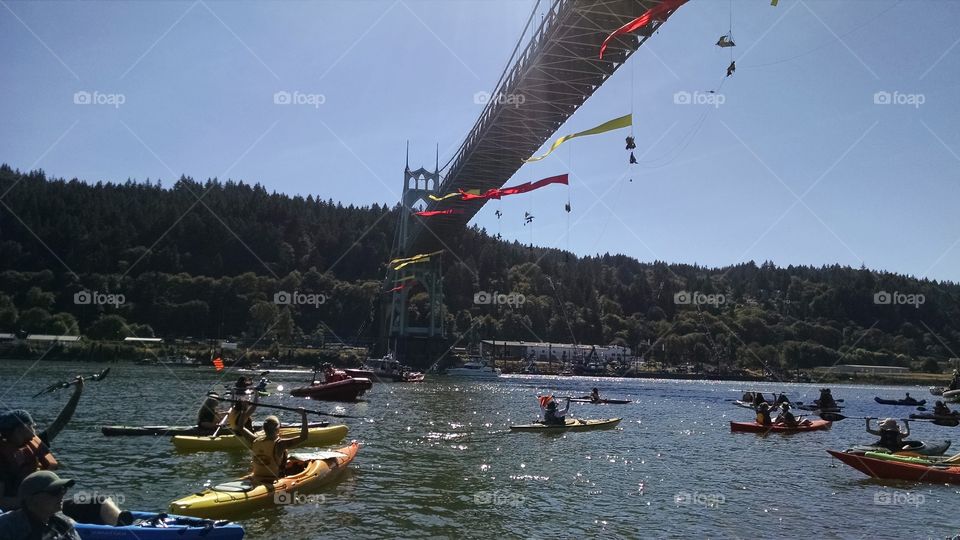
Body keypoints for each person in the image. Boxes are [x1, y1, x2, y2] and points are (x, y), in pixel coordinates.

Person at [0, 380, 125, 526]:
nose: (35, 428)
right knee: (65, 521)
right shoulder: (2, 457)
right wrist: (33, 502)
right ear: (20, 429)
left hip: (47, 503)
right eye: (31, 426)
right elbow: (1, 501)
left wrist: (77, 392)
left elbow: (62, 421)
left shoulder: (36, 443)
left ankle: (124, 527)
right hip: (23, 513)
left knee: (101, 501)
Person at [0, 471, 81, 540]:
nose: (61, 495)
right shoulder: (7, 526)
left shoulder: (63, 523)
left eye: (63, 490)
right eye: (54, 491)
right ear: (32, 499)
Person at [240, 411, 309, 483]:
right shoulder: (280, 444)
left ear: (264, 429)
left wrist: (243, 410)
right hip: (273, 479)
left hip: (256, 476)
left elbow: (240, 427)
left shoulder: (254, 440)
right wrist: (304, 415)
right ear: (277, 429)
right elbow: (304, 437)